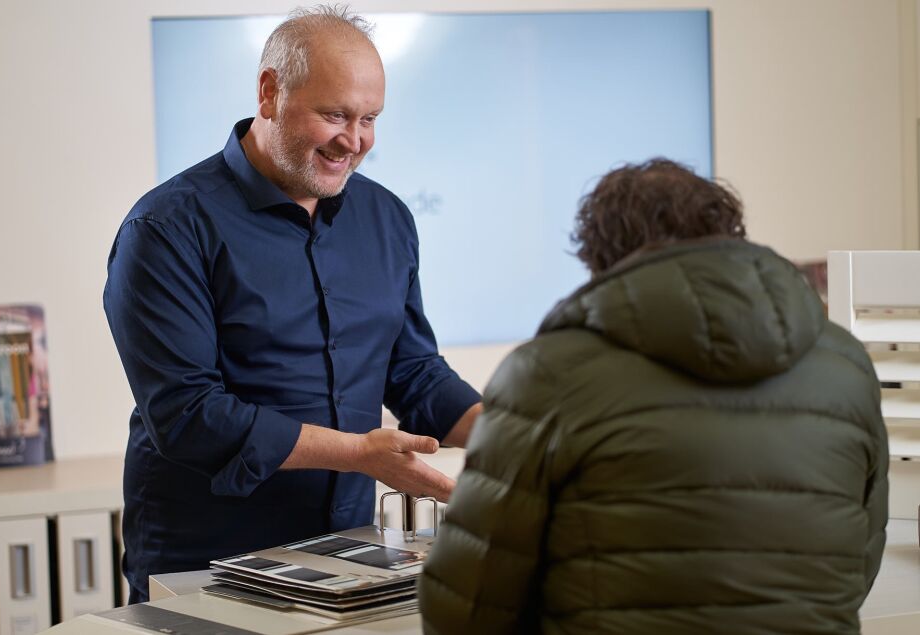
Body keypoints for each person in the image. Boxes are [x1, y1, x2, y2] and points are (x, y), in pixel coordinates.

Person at [104, 5, 481, 604]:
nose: (353, 141)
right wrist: (359, 453)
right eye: (334, 115)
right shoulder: (166, 228)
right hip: (205, 563)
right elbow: (188, 415)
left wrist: (505, 437)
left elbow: (410, 369)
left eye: (369, 119)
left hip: (351, 554)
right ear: (269, 92)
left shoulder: (387, 218)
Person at [418, 159, 888, 634]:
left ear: (600, 257)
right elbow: (858, 562)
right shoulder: (845, 363)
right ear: (728, 232)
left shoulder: (548, 373)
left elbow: (466, 607)